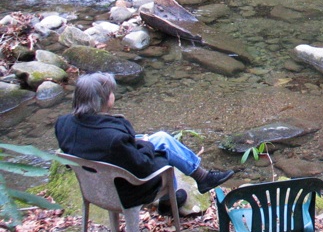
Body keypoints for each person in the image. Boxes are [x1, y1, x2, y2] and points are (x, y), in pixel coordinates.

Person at [55, 72, 233, 213]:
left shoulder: (63, 124)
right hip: (125, 190)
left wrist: (135, 142)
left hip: (93, 186)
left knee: (162, 138)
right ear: (102, 100)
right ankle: (173, 197)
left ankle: (201, 178)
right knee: (163, 152)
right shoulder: (114, 137)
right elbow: (143, 166)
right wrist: (145, 144)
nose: (113, 95)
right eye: (111, 92)